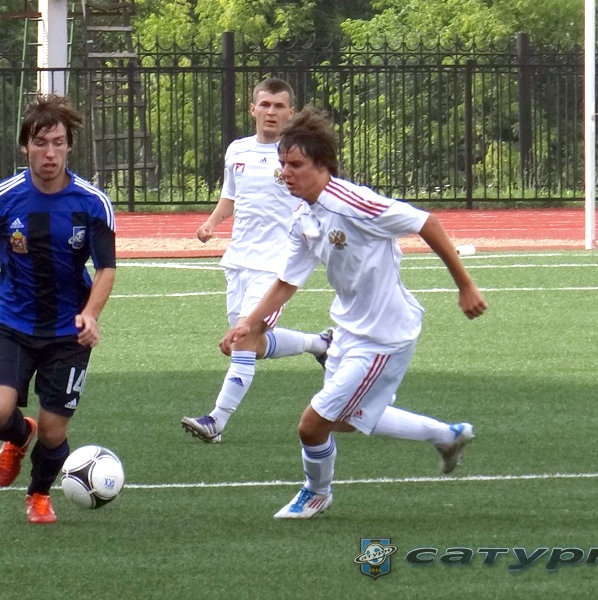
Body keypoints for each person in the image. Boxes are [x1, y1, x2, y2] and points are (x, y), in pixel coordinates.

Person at [220, 106, 488, 519]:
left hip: (384, 336)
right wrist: (248, 325)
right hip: (347, 329)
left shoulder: (354, 203)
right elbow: (286, 281)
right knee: (351, 418)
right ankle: (446, 435)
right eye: (282, 164)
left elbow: (427, 223)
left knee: (313, 424)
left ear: (322, 165)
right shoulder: (303, 216)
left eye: (295, 165)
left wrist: (465, 285)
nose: (285, 173)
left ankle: (316, 493)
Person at [0, 93, 116, 524]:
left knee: (55, 431)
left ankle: (38, 495)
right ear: (25, 147)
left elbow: (106, 268)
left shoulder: (92, 203)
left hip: (68, 332)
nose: (50, 153)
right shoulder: (3, 198)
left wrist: (91, 315)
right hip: (13, 324)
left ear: (69, 146)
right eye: (41, 143)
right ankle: (20, 436)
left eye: (58, 142)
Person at [181, 78, 332, 444]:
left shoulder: (296, 157)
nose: (271, 112)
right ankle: (320, 344)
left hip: (277, 265)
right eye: (265, 104)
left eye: (279, 106)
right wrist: (212, 223)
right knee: (252, 344)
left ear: (291, 112)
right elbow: (230, 196)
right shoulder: (238, 151)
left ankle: (216, 420)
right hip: (239, 261)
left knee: (244, 339)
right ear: (252, 109)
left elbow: (321, 195)